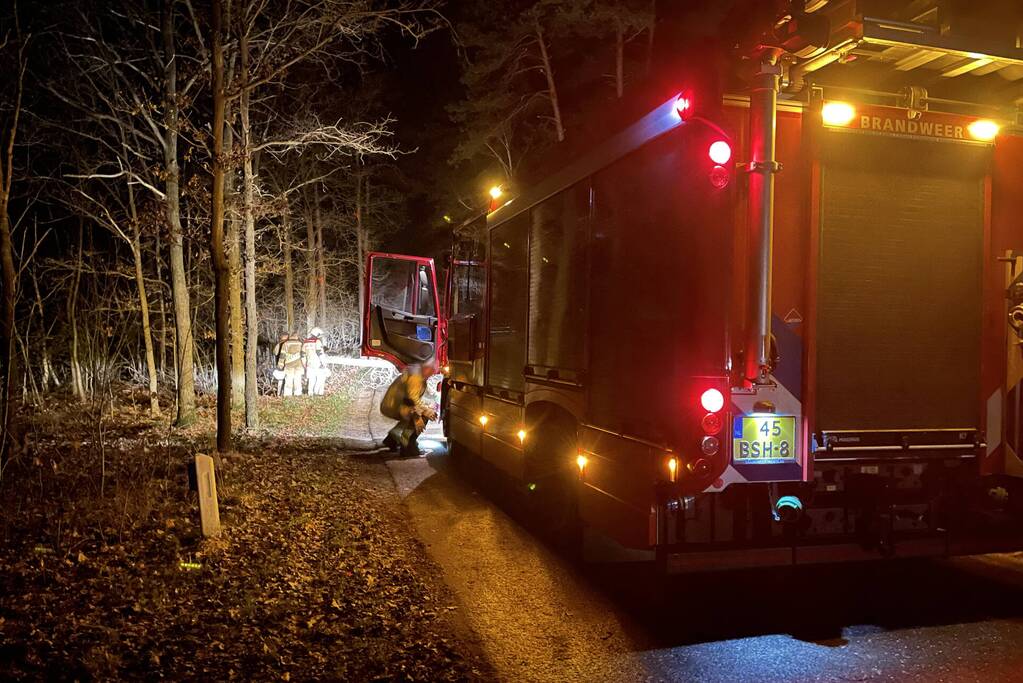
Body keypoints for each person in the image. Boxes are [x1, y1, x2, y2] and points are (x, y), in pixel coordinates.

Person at [380, 360, 438, 457]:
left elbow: (414, 398)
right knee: (424, 417)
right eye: (431, 372)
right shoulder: (416, 378)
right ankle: (407, 445)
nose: (431, 375)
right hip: (398, 405)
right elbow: (412, 399)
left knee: (414, 416)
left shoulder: (417, 375)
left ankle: (392, 440)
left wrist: (425, 407)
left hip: (396, 404)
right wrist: (424, 412)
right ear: (426, 368)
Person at [273, 331, 305, 397]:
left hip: (288, 366)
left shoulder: (286, 344)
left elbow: (282, 355)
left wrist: (280, 365)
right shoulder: (301, 344)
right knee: (298, 381)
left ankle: (287, 396)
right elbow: (303, 355)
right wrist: (304, 365)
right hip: (299, 366)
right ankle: (298, 395)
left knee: (288, 381)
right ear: (297, 337)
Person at [302, 327, 329, 395]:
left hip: (309, 364)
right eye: (319, 335)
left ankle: (310, 393)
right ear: (317, 334)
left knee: (311, 380)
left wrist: (304, 364)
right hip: (317, 363)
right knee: (320, 379)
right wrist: (323, 363)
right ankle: (317, 393)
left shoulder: (305, 342)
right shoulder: (317, 341)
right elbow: (320, 353)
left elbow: (303, 354)